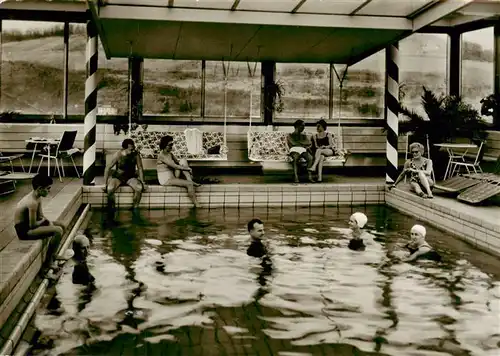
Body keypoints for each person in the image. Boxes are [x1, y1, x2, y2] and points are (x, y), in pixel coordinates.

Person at [14, 173, 66, 279]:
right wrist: (45, 222)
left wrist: (47, 222)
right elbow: (32, 225)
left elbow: (41, 216)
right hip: (24, 231)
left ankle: (53, 254)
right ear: (40, 188)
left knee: (62, 225)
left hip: (30, 225)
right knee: (58, 231)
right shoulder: (32, 202)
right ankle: (48, 263)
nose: (49, 191)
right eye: (48, 189)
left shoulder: (37, 197)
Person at [157, 135, 200, 208]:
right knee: (189, 184)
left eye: (172, 144)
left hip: (172, 176)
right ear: (164, 145)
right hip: (166, 180)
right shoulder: (162, 155)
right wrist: (188, 169)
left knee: (183, 160)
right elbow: (175, 166)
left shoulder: (170, 154)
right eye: (170, 145)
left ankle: (190, 180)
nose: (171, 146)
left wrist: (185, 167)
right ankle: (196, 204)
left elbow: (178, 163)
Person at [103, 138, 146, 211]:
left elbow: (140, 168)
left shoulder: (136, 155)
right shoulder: (118, 154)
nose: (132, 151)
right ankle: (112, 208)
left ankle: (135, 208)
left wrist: (143, 182)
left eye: (133, 149)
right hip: (118, 177)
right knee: (110, 189)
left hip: (130, 177)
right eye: (130, 149)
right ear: (124, 149)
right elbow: (108, 168)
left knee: (139, 188)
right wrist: (104, 183)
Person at [287, 119, 314, 183]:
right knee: (295, 158)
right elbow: (293, 143)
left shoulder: (303, 135)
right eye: (303, 126)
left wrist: (299, 143)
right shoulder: (290, 135)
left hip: (303, 150)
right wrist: (303, 143)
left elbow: (309, 142)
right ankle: (296, 177)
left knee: (310, 158)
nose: (304, 127)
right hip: (294, 150)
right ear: (297, 126)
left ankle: (309, 176)